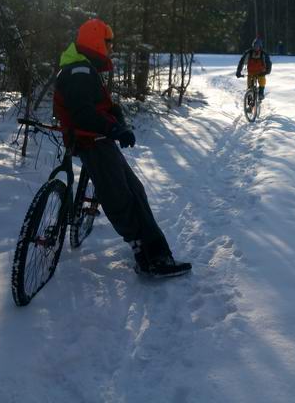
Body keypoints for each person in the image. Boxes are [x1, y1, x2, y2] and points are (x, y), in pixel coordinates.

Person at [53, 18, 191, 278]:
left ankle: (157, 252)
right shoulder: (79, 72)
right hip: (90, 140)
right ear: (96, 41)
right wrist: (114, 129)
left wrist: (120, 123)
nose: (111, 49)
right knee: (120, 197)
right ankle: (146, 255)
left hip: (97, 139)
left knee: (134, 189)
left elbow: (103, 107)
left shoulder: (82, 68)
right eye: (108, 44)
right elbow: (83, 114)